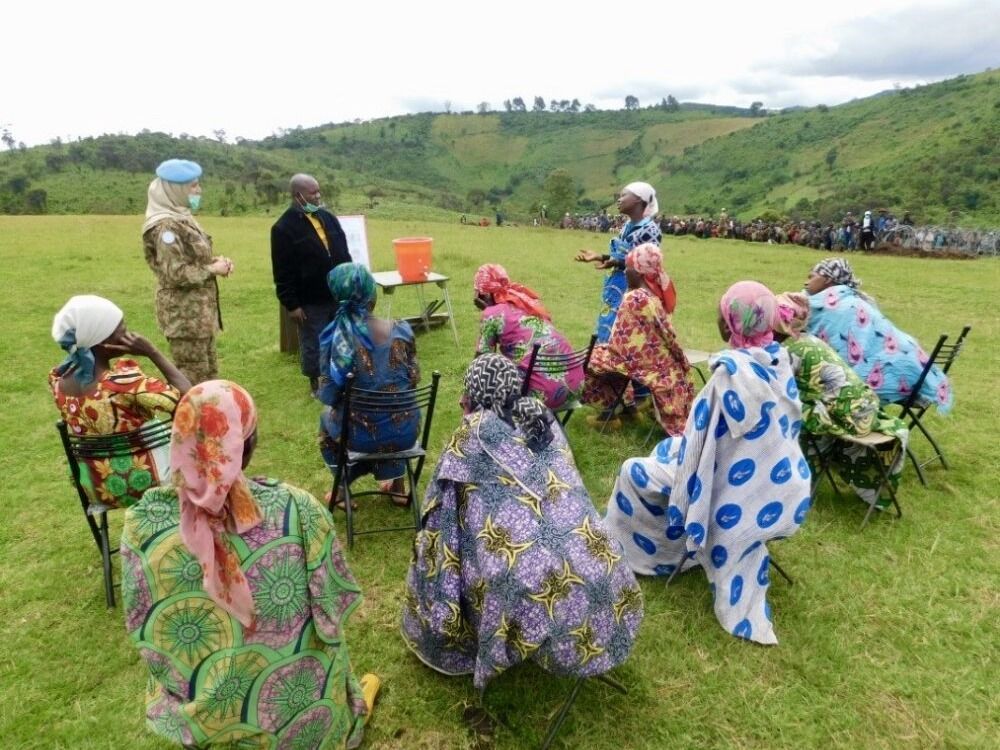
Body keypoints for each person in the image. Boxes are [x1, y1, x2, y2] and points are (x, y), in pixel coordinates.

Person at [121, 380, 378, 748]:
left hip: (208, 719)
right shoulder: (297, 509)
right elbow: (333, 606)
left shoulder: (142, 525)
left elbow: (145, 626)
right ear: (246, 444)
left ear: (180, 443)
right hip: (302, 718)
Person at [401, 355, 643, 689]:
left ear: (472, 395)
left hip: (532, 583)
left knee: (451, 549)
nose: (460, 400)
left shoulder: (473, 434)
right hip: (600, 558)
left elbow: (439, 512)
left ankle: (476, 638)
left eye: (465, 393)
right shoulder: (539, 417)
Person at [603, 282, 811, 645]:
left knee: (633, 470)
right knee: (667, 449)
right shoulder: (780, 362)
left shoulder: (730, 378)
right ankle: (672, 543)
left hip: (729, 489)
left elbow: (696, 455)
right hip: (778, 484)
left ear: (729, 322)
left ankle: (639, 554)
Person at [49, 295, 191, 507]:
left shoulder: (58, 382)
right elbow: (191, 400)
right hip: (150, 483)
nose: (130, 335)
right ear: (101, 341)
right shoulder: (123, 383)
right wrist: (152, 352)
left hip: (99, 489)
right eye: (121, 330)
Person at [774, 292, 908, 508]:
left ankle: (794, 485)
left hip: (847, 417)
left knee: (785, 412)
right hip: (864, 410)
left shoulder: (789, 350)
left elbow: (775, 389)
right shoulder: (811, 341)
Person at [318, 263, 420, 507]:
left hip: (359, 438)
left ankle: (341, 489)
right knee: (390, 413)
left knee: (326, 420)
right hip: (406, 432)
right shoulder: (402, 330)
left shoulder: (336, 339)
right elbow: (415, 378)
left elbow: (329, 395)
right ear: (372, 296)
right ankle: (397, 486)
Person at [803, 258, 952, 412]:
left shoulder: (836, 306)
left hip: (900, 372)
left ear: (828, 279)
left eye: (811, 277)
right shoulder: (853, 298)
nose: (806, 282)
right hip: (916, 368)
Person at [582, 244, 691, 434]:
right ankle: (629, 409)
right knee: (610, 359)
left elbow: (621, 346)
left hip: (647, 367)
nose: (625, 272)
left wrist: (601, 351)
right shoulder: (653, 296)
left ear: (639, 272)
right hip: (664, 365)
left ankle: (608, 416)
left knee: (594, 359)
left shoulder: (633, 299)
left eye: (629, 267)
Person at [142, 159, 233, 385]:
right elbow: (175, 273)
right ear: (176, 189)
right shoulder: (165, 227)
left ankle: (208, 418)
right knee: (192, 380)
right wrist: (212, 269)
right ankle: (191, 420)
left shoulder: (182, 217)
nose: (198, 190)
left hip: (200, 316)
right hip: (184, 318)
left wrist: (216, 262)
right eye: (193, 186)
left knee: (209, 376)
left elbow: (191, 258)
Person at [271, 174, 353, 396]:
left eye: (318, 191)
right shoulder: (283, 228)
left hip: (337, 294)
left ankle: (343, 377)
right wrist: (291, 304)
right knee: (314, 342)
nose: (318, 196)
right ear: (298, 196)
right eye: (312, 193)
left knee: (341, 336)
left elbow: (344, 253)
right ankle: (317, 384)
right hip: (309, 299)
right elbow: (282, 270)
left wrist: (349, 282)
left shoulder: (328, 218)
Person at [473, 263, 582, 410]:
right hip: (576, 387)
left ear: (484, 294)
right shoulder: (524, 302)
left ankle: (479, 422)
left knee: (485, 376)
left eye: (476, 291)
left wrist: (487, 311)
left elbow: (482, 361)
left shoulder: (492, 314)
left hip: (545, 394)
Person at [574, 182, 663, 343]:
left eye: (623, 196)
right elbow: (625, 258)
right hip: (617, 286)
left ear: (638, 200)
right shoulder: (627, 226)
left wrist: (614, 262)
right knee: (609, 326)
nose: (619, 200)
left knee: (625, 331)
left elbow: (643, 264)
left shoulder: (649, 230)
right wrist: (601, 257)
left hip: (634, 290)